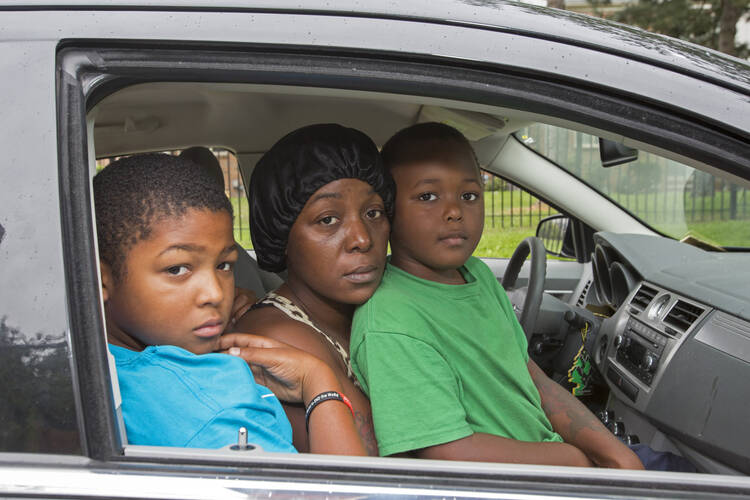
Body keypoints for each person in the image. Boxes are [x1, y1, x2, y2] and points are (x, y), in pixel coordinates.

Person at [349, 122, 645, 468]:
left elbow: (530, 376)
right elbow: (446, 451)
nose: (455, 211)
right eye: (427, 196)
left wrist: (613, 453)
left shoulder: (475, 274)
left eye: (469, 195)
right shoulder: (391, 322)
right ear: (387, 210)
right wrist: (575, 461)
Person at [94, 152, 366, 455]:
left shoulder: (106, 362)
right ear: (102, 278)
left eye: (224, 265)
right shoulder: (212, 406)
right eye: (176, 269)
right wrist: (319, 382)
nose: (215, 293)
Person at [233, 123, 394, 455]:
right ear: (282, 237)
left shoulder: (381, 304)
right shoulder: (278, 339)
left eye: (373, 212)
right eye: (328, 220)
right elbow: (363, 480)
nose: (362, 238)